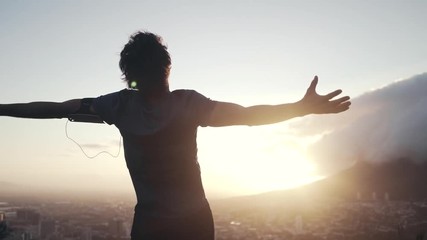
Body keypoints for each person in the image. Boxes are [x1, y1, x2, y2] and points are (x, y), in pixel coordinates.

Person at [0, 31, 351, 240]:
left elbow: (54, 107)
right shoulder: (188, 104)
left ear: (129, 77)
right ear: (167, 68)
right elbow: (248, 116)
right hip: (195, 222)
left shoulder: (119, 106)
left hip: (150, 223)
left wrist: (1, 109)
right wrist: (301, 108)